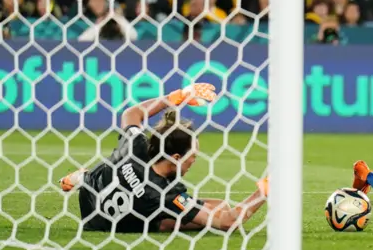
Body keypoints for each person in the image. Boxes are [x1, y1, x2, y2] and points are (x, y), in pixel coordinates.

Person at [60, 83, 269, 232]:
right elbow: (227, 223)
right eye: (192, 157)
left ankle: (83, 177)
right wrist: (263, 192)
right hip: (104, 226)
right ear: (176, 157)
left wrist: (174, 97)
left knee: (220, 205)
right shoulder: (165, 194)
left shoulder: (137, 146)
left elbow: (131, 114)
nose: (194, 161)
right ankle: (83, 177)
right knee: (171, 222)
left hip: (90, 197)